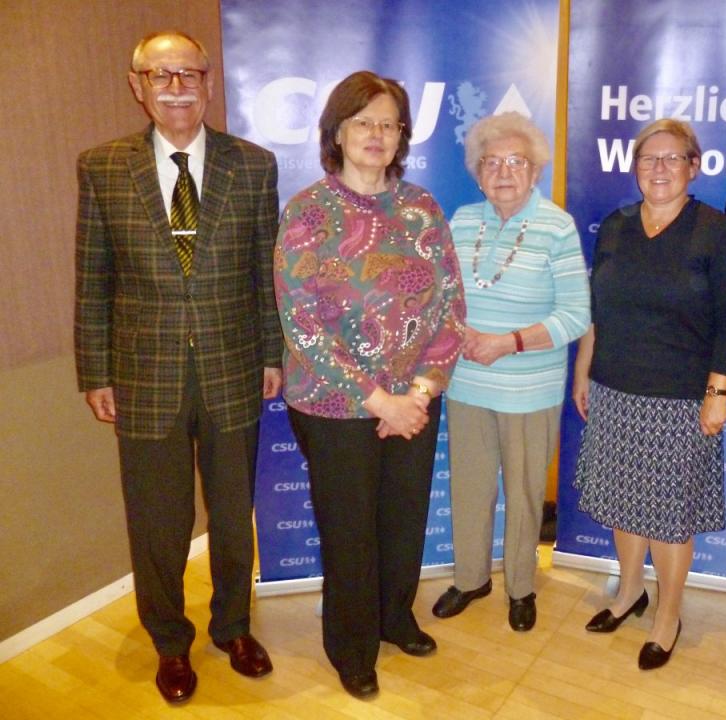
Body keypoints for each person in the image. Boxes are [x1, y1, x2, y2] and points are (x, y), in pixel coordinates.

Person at [74, 31, 280, 704]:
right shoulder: (103, 167)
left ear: (209, 83)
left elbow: (264, 271)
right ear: (138, 86)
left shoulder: (254, 166)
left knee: (233, 513)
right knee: (157, 521)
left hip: (234, 366)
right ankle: (169, 640)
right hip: (143, 374)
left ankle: (234, 627)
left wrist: (272, 353)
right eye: (160, 75)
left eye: (189, 73)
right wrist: (95, 372)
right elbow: (93, 277)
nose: (177, 87)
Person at [274, 70, 465, 700]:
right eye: (363, 122)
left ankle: (394, 618)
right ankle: (351, 646)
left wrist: (420, 393)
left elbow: (450, 307)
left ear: (402, 135)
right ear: (337, 131)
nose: (376, 134)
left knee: (403, 518)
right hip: (334, 406)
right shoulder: (308, 212)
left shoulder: (422, 208)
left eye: (389, 123)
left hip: (415, 400)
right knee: (350, 529)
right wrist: (378, 399)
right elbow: (301, 324)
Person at [572, 119, 726, 670]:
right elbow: (597, 308)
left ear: (694, 167)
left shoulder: (717, 232)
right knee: (624, 502)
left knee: (670, 515)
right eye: (649, 159)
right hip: (614, 389)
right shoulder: (617, 227)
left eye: (673, 158)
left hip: (681, 400)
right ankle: (629, 593)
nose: (660, 168)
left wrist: (718, 392)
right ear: (635, 168)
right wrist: (583, 370)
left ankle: (668, 615)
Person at [432, 112, 590, 632]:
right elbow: (443, 296)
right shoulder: (461, 220)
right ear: (478, 173)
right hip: (468, 383)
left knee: (523, 495)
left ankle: (521, 586)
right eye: (492, 162)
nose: (503, 172)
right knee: (470, 487)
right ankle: (471, 578)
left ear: (535, 170)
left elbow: (576, 315)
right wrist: (459, 333)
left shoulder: (556, 226)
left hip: (529, 388)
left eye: (516, 162)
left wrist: (508, 343)